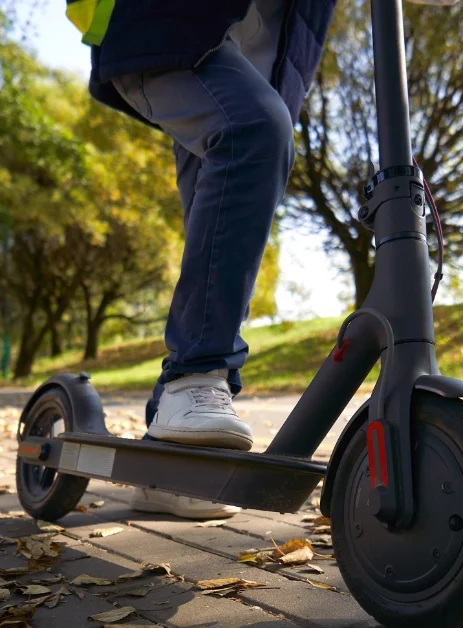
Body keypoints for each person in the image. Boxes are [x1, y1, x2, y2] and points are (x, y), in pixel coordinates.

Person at [77, 0, 337, 519]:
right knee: (252, 132)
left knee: (222, 226)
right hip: (164, 28)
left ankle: (166, 455)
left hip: (249, 69)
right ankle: (194, 378)